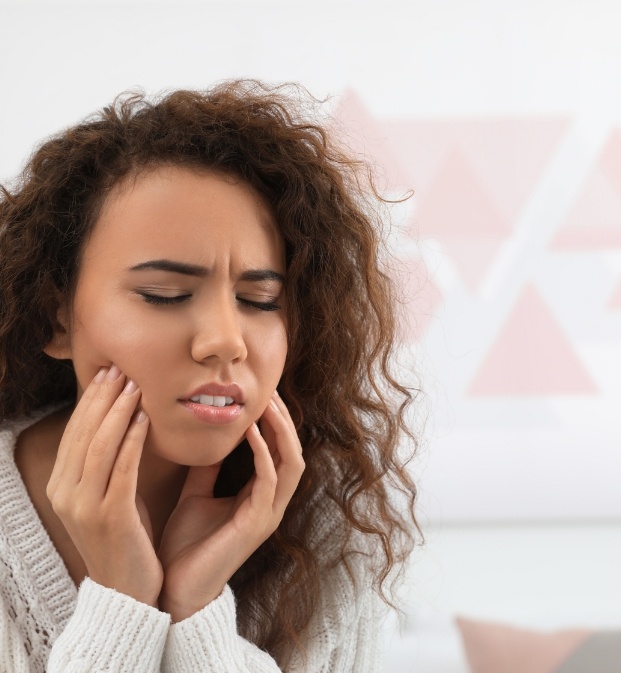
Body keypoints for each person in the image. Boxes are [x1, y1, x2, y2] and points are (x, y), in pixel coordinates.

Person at [0, 80, 418, 672]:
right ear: (55, 316)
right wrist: (122, 603)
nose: (226, 340)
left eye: (261, 300)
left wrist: (195, 610)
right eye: (163, 295)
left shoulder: (328, 528)